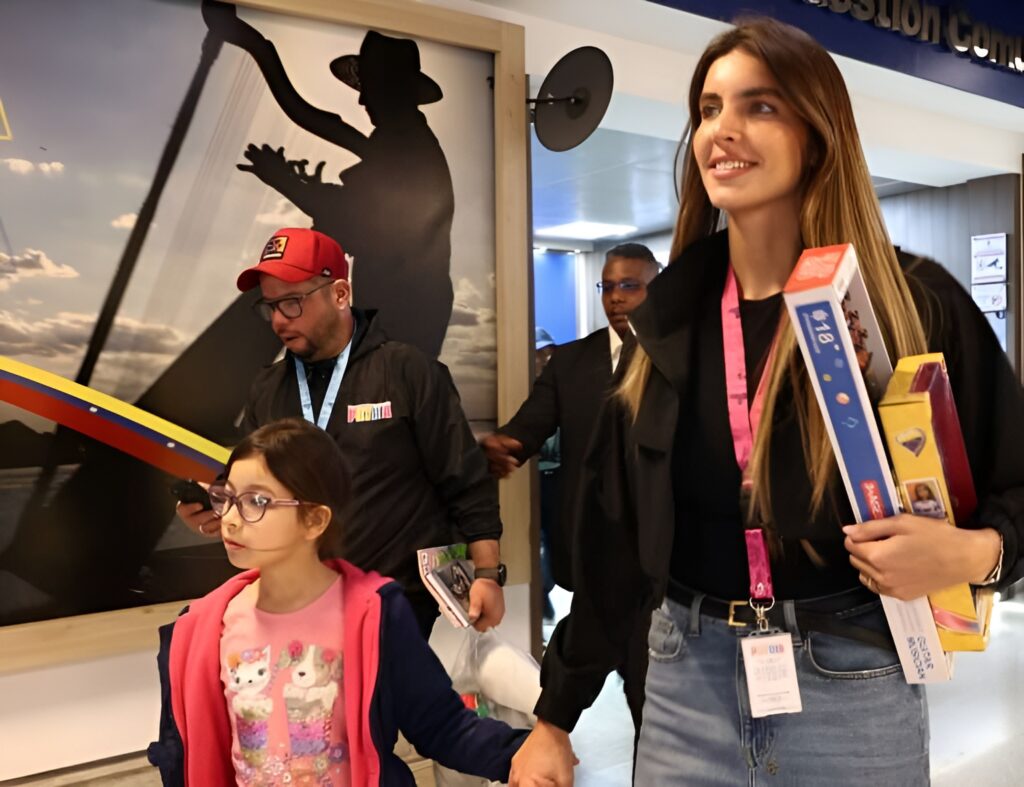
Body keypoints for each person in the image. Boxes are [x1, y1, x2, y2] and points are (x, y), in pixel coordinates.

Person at [511, 17, 1024, 787]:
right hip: (685, 684)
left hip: (853, 677)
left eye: (760, 106)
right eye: (709, 108)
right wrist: (555, 715)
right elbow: (615, 542)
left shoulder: (907, 303)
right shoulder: (667, 325)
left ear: (818, 132)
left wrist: (974, 553)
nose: (723, 130)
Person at [148, 418, 526, 786]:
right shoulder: (201, 629)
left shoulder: (373, 615)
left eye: (256, 501)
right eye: (225, 498)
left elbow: (440, 725)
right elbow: (180, 754)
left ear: (314, 519)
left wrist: (525, 754)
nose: (229, 519)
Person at [178, 227, 505, 639]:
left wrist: (488, 574)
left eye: (292, 303)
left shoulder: (407, 372)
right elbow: (249, 487)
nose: (279, 320)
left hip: (397, 606)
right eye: (270, 306)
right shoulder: (269, 388)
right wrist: (216, 506)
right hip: (299, 606)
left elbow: (465, 480)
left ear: (339, 294)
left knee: (386, 705)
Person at [202, 0, 455, 358]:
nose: (364, 99)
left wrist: (282, 179)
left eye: (372, 87)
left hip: (402, 316)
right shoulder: (402, 144)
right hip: (402, 309)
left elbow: (351, 218)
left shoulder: (406, 147)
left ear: (393, 89)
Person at [483, 244, 658, 731]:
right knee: (568, 687)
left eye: (630, 285)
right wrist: (498, 449)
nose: (615, 298)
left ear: (655, 289)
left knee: (650, 697)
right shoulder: (572, 361)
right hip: (595, 557)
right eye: (607, 286)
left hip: (660, 563)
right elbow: (525, 432)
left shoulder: (676, 361)